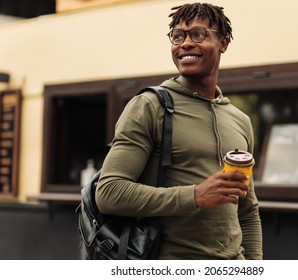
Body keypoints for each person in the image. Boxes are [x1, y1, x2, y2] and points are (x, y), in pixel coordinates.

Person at [96, 2, 263, 260]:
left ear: (223, 43)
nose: (185, 43)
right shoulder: (150, 106)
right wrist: (194, 195)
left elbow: (247, 209)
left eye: (198, 34)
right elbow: (109, 192)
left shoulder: (239, 119)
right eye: (177, 36)